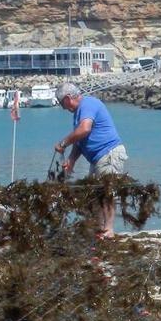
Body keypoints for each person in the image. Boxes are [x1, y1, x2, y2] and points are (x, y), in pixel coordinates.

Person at [54, 82, 128, 239]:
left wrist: (63, 143)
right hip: (97, 159)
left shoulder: (88, 104)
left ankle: (108, 230)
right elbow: (80, 141)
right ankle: (99, 229)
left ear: (67, 99)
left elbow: (85, 129)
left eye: (62, 104)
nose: (63, 108)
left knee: (107, 192)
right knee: (94, 194)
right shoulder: (78, 113)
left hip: (109, 153)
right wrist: (72, 160)